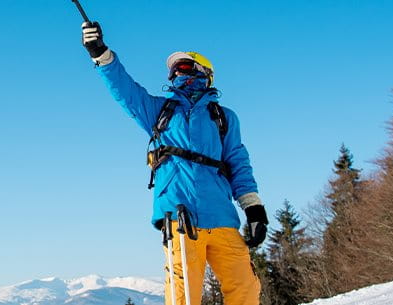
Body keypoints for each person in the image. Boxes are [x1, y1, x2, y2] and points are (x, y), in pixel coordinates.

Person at [79, 20, 269, 305]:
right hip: (180, 220)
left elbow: (239, 164)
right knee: (183, 298)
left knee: (245, 290)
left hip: (222, 218)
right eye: (175, 68)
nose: (178, 71)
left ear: (205, 73)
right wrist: (100, 54)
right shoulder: (159, 111)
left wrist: (254, 209)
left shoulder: (224, 117)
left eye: (186, 66)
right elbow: (124, 90)